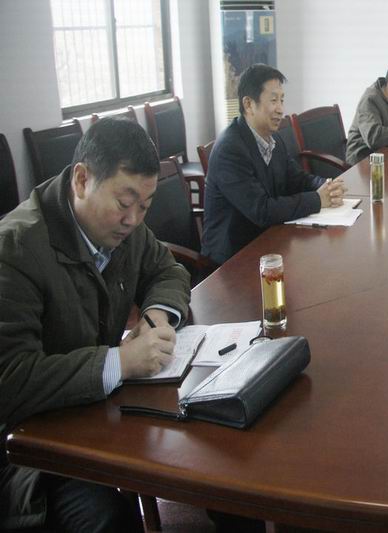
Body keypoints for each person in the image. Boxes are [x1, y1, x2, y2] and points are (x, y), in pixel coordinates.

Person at [0, 118, 191, 532]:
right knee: (107, 518)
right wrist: (120, 362)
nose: (134, 219)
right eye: (124, 203)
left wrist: (156, 317)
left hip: (95, 413)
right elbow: (10, 380)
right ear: (82, 180)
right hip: (29, 450)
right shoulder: (14, 249)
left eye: (146, 205)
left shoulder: (124, 228)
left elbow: (168, 270)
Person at [202, 64, 346, 265]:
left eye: (282, 100)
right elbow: (262, 210)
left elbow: (296, 179)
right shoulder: (230, 150)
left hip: (269, 240)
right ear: (248, 104)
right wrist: (317, 199)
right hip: (233, 259)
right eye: (273, 100)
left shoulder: (274, 139)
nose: (280, 109)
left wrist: (326, 186)